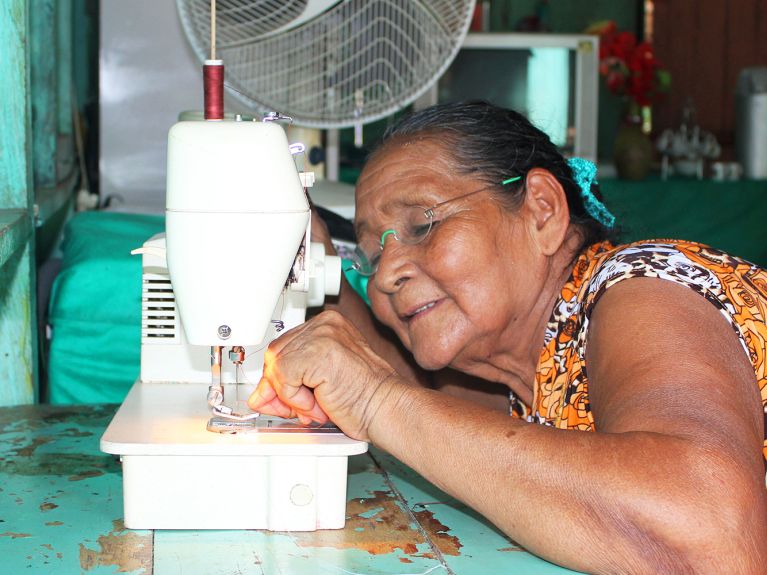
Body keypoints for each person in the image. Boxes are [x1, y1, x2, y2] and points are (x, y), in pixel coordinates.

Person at [248, 101, 767, 573]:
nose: (386, 276)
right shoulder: (525, 376)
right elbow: (428, 405)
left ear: (542, 210)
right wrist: (318, 268)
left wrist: (374, 398)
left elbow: (713, 534)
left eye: (424, 225)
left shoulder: (645, 284)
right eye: (375, 255)